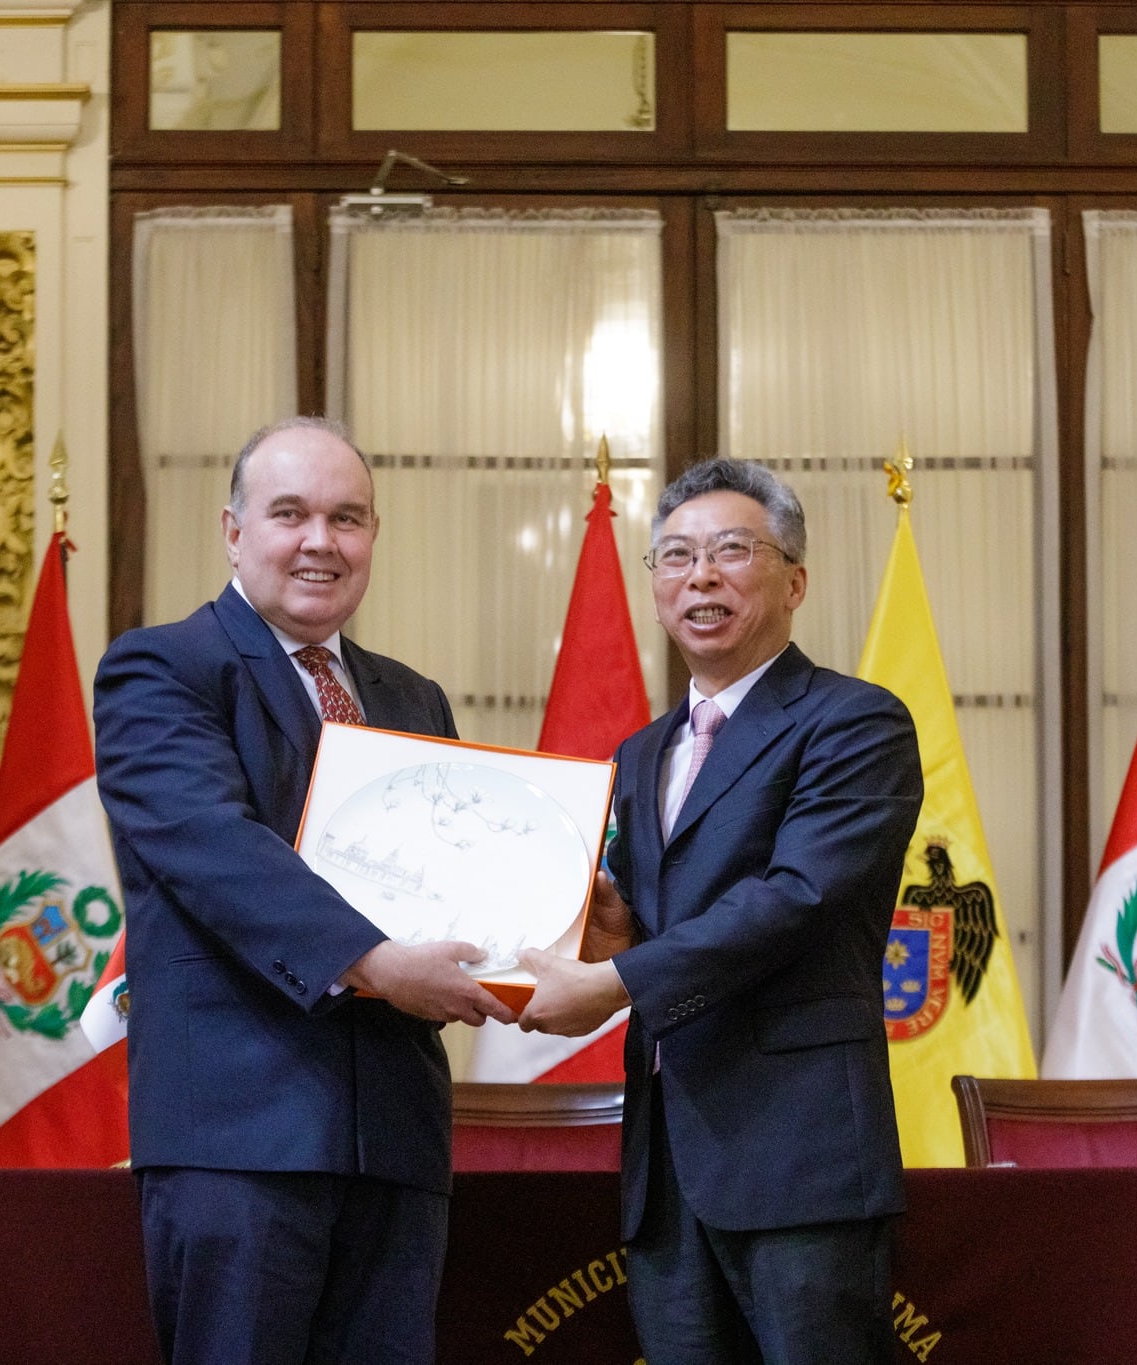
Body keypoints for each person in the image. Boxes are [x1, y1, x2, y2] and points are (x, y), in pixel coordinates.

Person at [93, 416, 516, 1365]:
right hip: (239, 1139)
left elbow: (460, 873)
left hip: (396, 1142)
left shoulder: (412, 697)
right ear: (233, 531)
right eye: (290, 513)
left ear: (373, 537)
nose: (321, 540)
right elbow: (217, 849)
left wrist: (553, 928)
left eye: (347, 517)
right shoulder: (162, 668)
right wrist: (377, 962)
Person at [519, 457, 923, 1364]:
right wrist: (616, 934)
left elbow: (794, 900)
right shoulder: (638, 752)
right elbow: (667, 925)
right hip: (667, 1164)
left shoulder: (855, 722)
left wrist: (615, 981)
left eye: (731, 551)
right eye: (675, 556)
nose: (700, 576)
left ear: (794, 582)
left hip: (800, 1158)